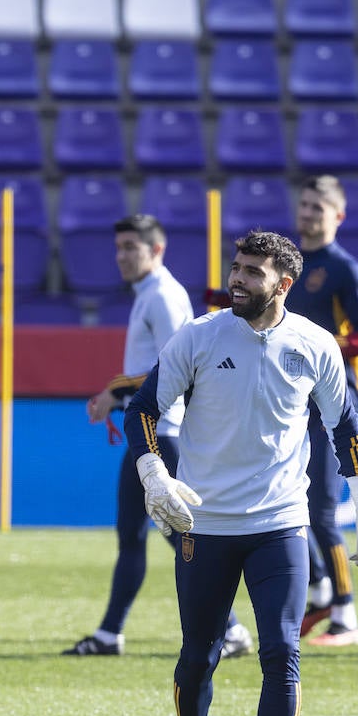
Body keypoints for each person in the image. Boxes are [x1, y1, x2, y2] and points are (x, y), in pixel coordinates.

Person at [123, 230, 358, 716]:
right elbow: (141, 407)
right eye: (235, 268)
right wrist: (154, 475)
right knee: (197, 659)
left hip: (280, 525)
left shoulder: (315, 344)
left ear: (283, 284)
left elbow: (344, 426)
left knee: (283, 652)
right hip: (205, 525)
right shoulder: (198, 335)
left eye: (251, 272)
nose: (236, 279)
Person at [63, 215, 253, 660]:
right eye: (120, 247)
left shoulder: (163, 296)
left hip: (161, 430)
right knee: (138, 533)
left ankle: (231, 628)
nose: (123, 256)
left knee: (176, 534)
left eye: (133, 246)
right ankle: (112, 633)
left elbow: (178, 366)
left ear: (157, 249)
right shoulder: (151, 293)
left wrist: (116, 389)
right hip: (151, 429)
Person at [290, 176, 358, 647]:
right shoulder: (289, 265)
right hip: (289, 399)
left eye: (318, 208)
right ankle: (320, 588)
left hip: (332, 400)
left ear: (338, 216)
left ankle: (346, 615)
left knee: (322, 510)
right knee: (285, 499)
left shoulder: (344, 269)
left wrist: (321, 345)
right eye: (304, 205)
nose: (308, 214)